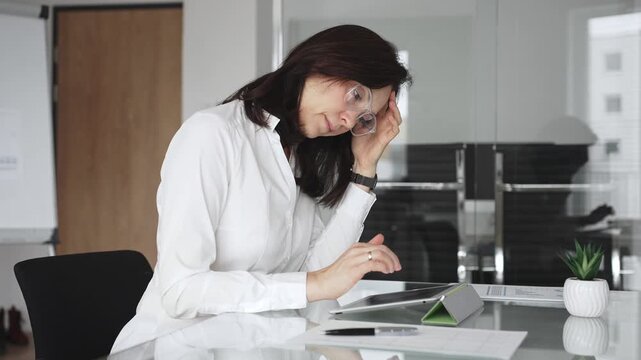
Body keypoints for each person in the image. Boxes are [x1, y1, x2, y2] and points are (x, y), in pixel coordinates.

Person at [111, 24, 412, 353]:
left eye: (364, 119)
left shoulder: (298, 157)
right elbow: (181, 291)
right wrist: (315, 283)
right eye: (356, 96)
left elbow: (313, 278)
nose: (349, 121)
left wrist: (364, 171)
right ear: (321, 62)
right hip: (176, 348)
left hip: (252, 347)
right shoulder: (212, 134)